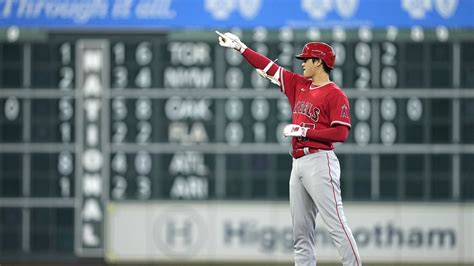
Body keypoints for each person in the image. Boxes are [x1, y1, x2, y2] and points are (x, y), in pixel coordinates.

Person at [216, 31, 362, 266]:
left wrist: (305, 132)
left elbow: (341, 133)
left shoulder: (335, 95)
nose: (302, 63)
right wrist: (241, 48)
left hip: (320, 160)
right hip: (299, 163)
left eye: (307, 59)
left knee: (336, 224)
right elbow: (270, 68)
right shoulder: (299, 85)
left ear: (319, 63)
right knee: (300, 234)